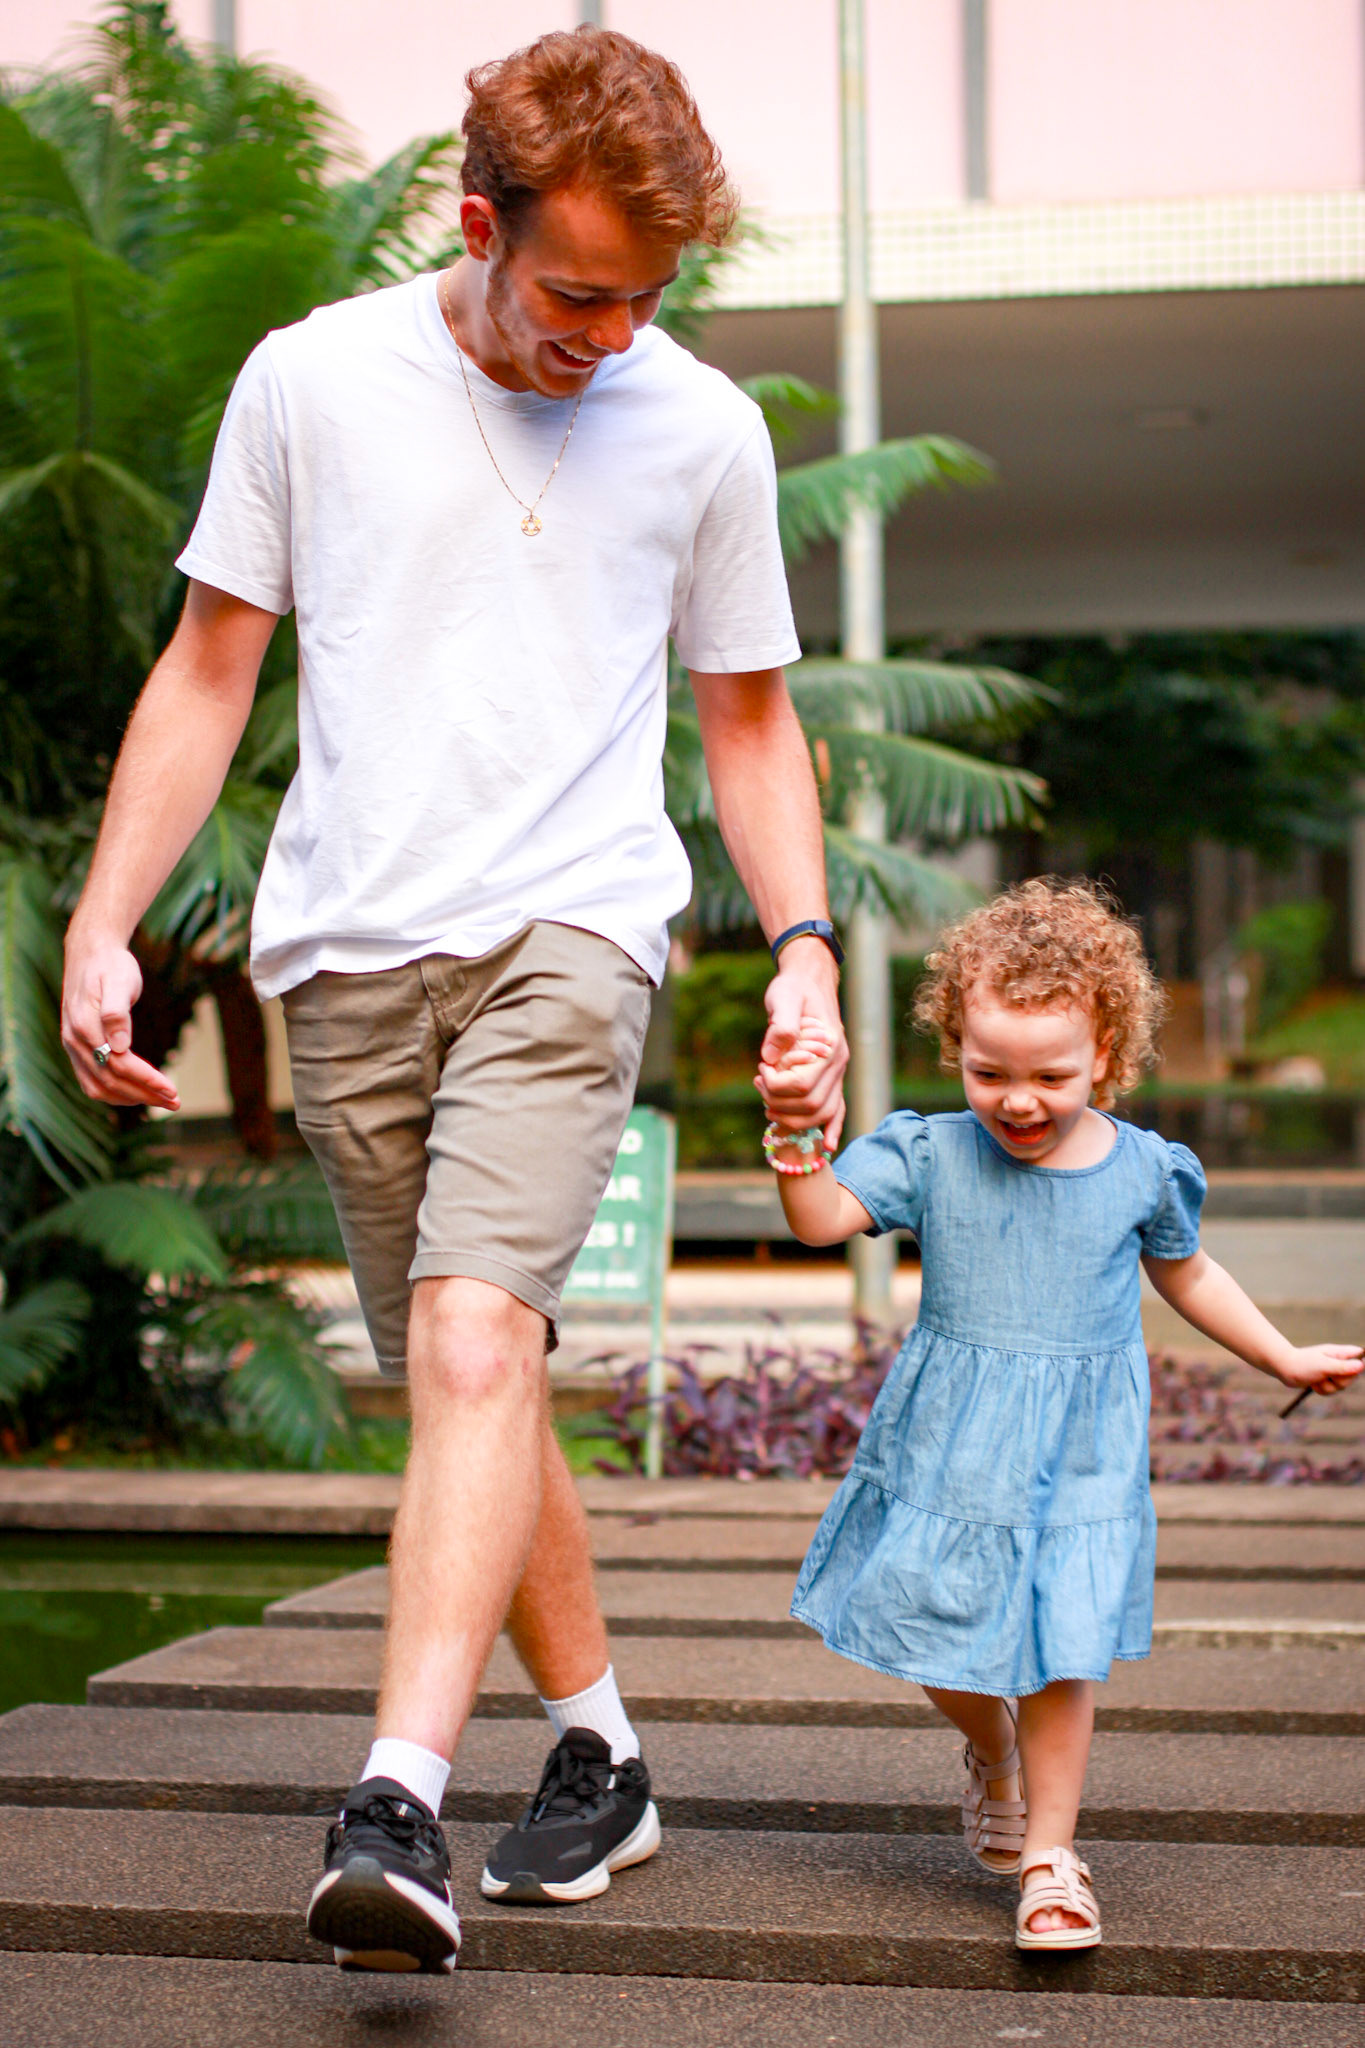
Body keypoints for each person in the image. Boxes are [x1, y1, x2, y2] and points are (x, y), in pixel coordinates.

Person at [60, 26, 847, 1974]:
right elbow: (210, 664)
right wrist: (103, 921)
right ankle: (604, 1749)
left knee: (478, 1337)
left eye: (647, 297)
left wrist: (807, 946)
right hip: (346, 949)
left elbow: (749, 718)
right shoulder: (312, 379)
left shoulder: (699, 427)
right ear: (480, 225)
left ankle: (395, 1795)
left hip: (573, 929)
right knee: (462, 1372)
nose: (613, 334)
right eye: (578, 293)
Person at [758, 877, 1360, 1952]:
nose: (1019, 1101)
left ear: (1106, 1053)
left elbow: (1188, 1271)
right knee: (933, 1628)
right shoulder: (932, 1152)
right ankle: (992, 1750)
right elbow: (816, 1219)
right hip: (952, 1440)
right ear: (957, 1045)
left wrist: (1280, 1352)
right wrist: (796, 1129)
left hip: (1080, 1451)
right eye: (989, 1072)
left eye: (1052, 1075)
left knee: (1060, 1644)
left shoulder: (1142, 1169)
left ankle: (1051, 1857)